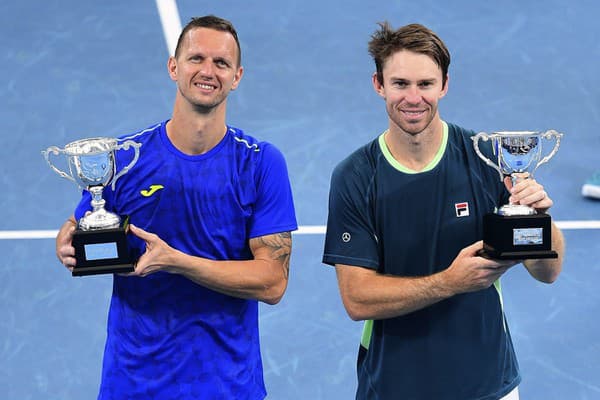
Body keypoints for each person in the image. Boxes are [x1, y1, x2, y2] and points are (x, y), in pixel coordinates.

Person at [55, 15, 297, 399]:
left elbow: (272, 282)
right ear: (173, 66)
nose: (208, 71)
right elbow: (77, 224)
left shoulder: (261, 163)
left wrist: (177, 261)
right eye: (196, 58)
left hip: (226, 385)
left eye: (221, 63)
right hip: (133, 382)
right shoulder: (124, 157)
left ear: (237, 76)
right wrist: (66, 241)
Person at [322, 22, 564, 400]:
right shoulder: (355, 177)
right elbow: (357, 299)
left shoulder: (487, 160)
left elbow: (547, 271)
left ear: (444, 85)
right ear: (378, 85)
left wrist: (538, 218)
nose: (413, 98)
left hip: (487, 384)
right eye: (400, 84)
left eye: (426, 84)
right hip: (394, 387)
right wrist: (449, 281)